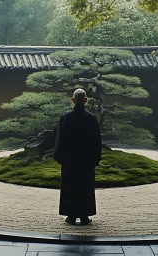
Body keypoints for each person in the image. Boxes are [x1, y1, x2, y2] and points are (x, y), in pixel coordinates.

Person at [53, 88, 102, 225]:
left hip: (69, 160)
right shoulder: (91, 118)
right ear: (85, 100)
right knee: (85, 188)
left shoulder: (65, 117)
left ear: (73, 100)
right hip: (86, 160)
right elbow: (96, 141)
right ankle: (85, 216)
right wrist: (96, 158)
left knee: (70, 187)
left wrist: (59, 157)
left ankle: (71, 216)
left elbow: (60, 139)